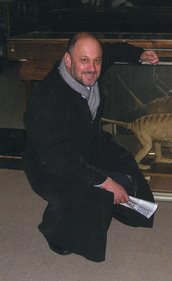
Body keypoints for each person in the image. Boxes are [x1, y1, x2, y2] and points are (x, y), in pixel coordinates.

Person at [23, 32, 159, 262]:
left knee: (126, 166)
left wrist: (140, 54)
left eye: (97, 60)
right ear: (68, 60)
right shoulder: (46, 100)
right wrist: (104, 181)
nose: (92, 67)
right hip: (49, 164)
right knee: (94, 192)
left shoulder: (90, 68)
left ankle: (116, 205)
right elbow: (61, 158)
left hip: (86, 144)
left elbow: (113, 50)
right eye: (84, 60)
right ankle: (55, 228)